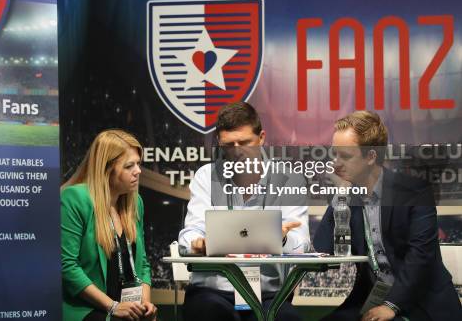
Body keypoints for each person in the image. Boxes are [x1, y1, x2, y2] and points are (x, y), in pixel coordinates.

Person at [314, 111, 461, 321]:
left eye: (345, 156)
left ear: (371, 156)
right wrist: (341, 195)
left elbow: (420, 257)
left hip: (420, 302)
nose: (336, 164)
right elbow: (322, 249)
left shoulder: (415, 192)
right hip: (370, 299)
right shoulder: (348, 196)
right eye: (335, 154)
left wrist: (392, 305)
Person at [179, 102, 310, 321]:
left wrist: (283, 237)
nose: (238, 151)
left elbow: (302, 245)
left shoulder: (290, 178)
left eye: (245, 142)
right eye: (230, 145)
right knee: (209, 314)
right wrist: (197, 243)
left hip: (268, 294)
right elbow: (188, 236)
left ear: (262, 138)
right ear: (220, 143)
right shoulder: (206, 176)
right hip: (212, 291)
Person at [61, 129, 157, 321]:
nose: (138, 171)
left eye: (139, 163)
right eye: (129, 166)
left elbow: (143, 263)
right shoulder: (74, 198)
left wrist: (144, 304)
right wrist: (113, 306)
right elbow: (67, 266)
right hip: (88, 309)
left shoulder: (135, 202)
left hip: (128, 310)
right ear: (106, 169)